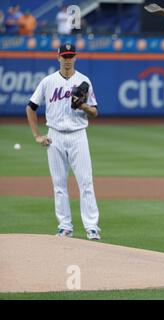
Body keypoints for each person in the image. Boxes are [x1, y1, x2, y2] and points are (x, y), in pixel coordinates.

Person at [25, 43, 101, 240]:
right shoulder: (48, 81)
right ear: (58, 57)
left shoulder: (84, 80)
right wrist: (37, 135)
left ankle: (92, 227)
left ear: (75, 57)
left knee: (85, 182)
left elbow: (95, 112)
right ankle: (65, 226)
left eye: (71, 56)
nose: (68, 59)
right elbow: (31, 107)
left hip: (78, 135)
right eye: (64, 56)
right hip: (55, 135)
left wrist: (82, 105)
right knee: (59, 184)